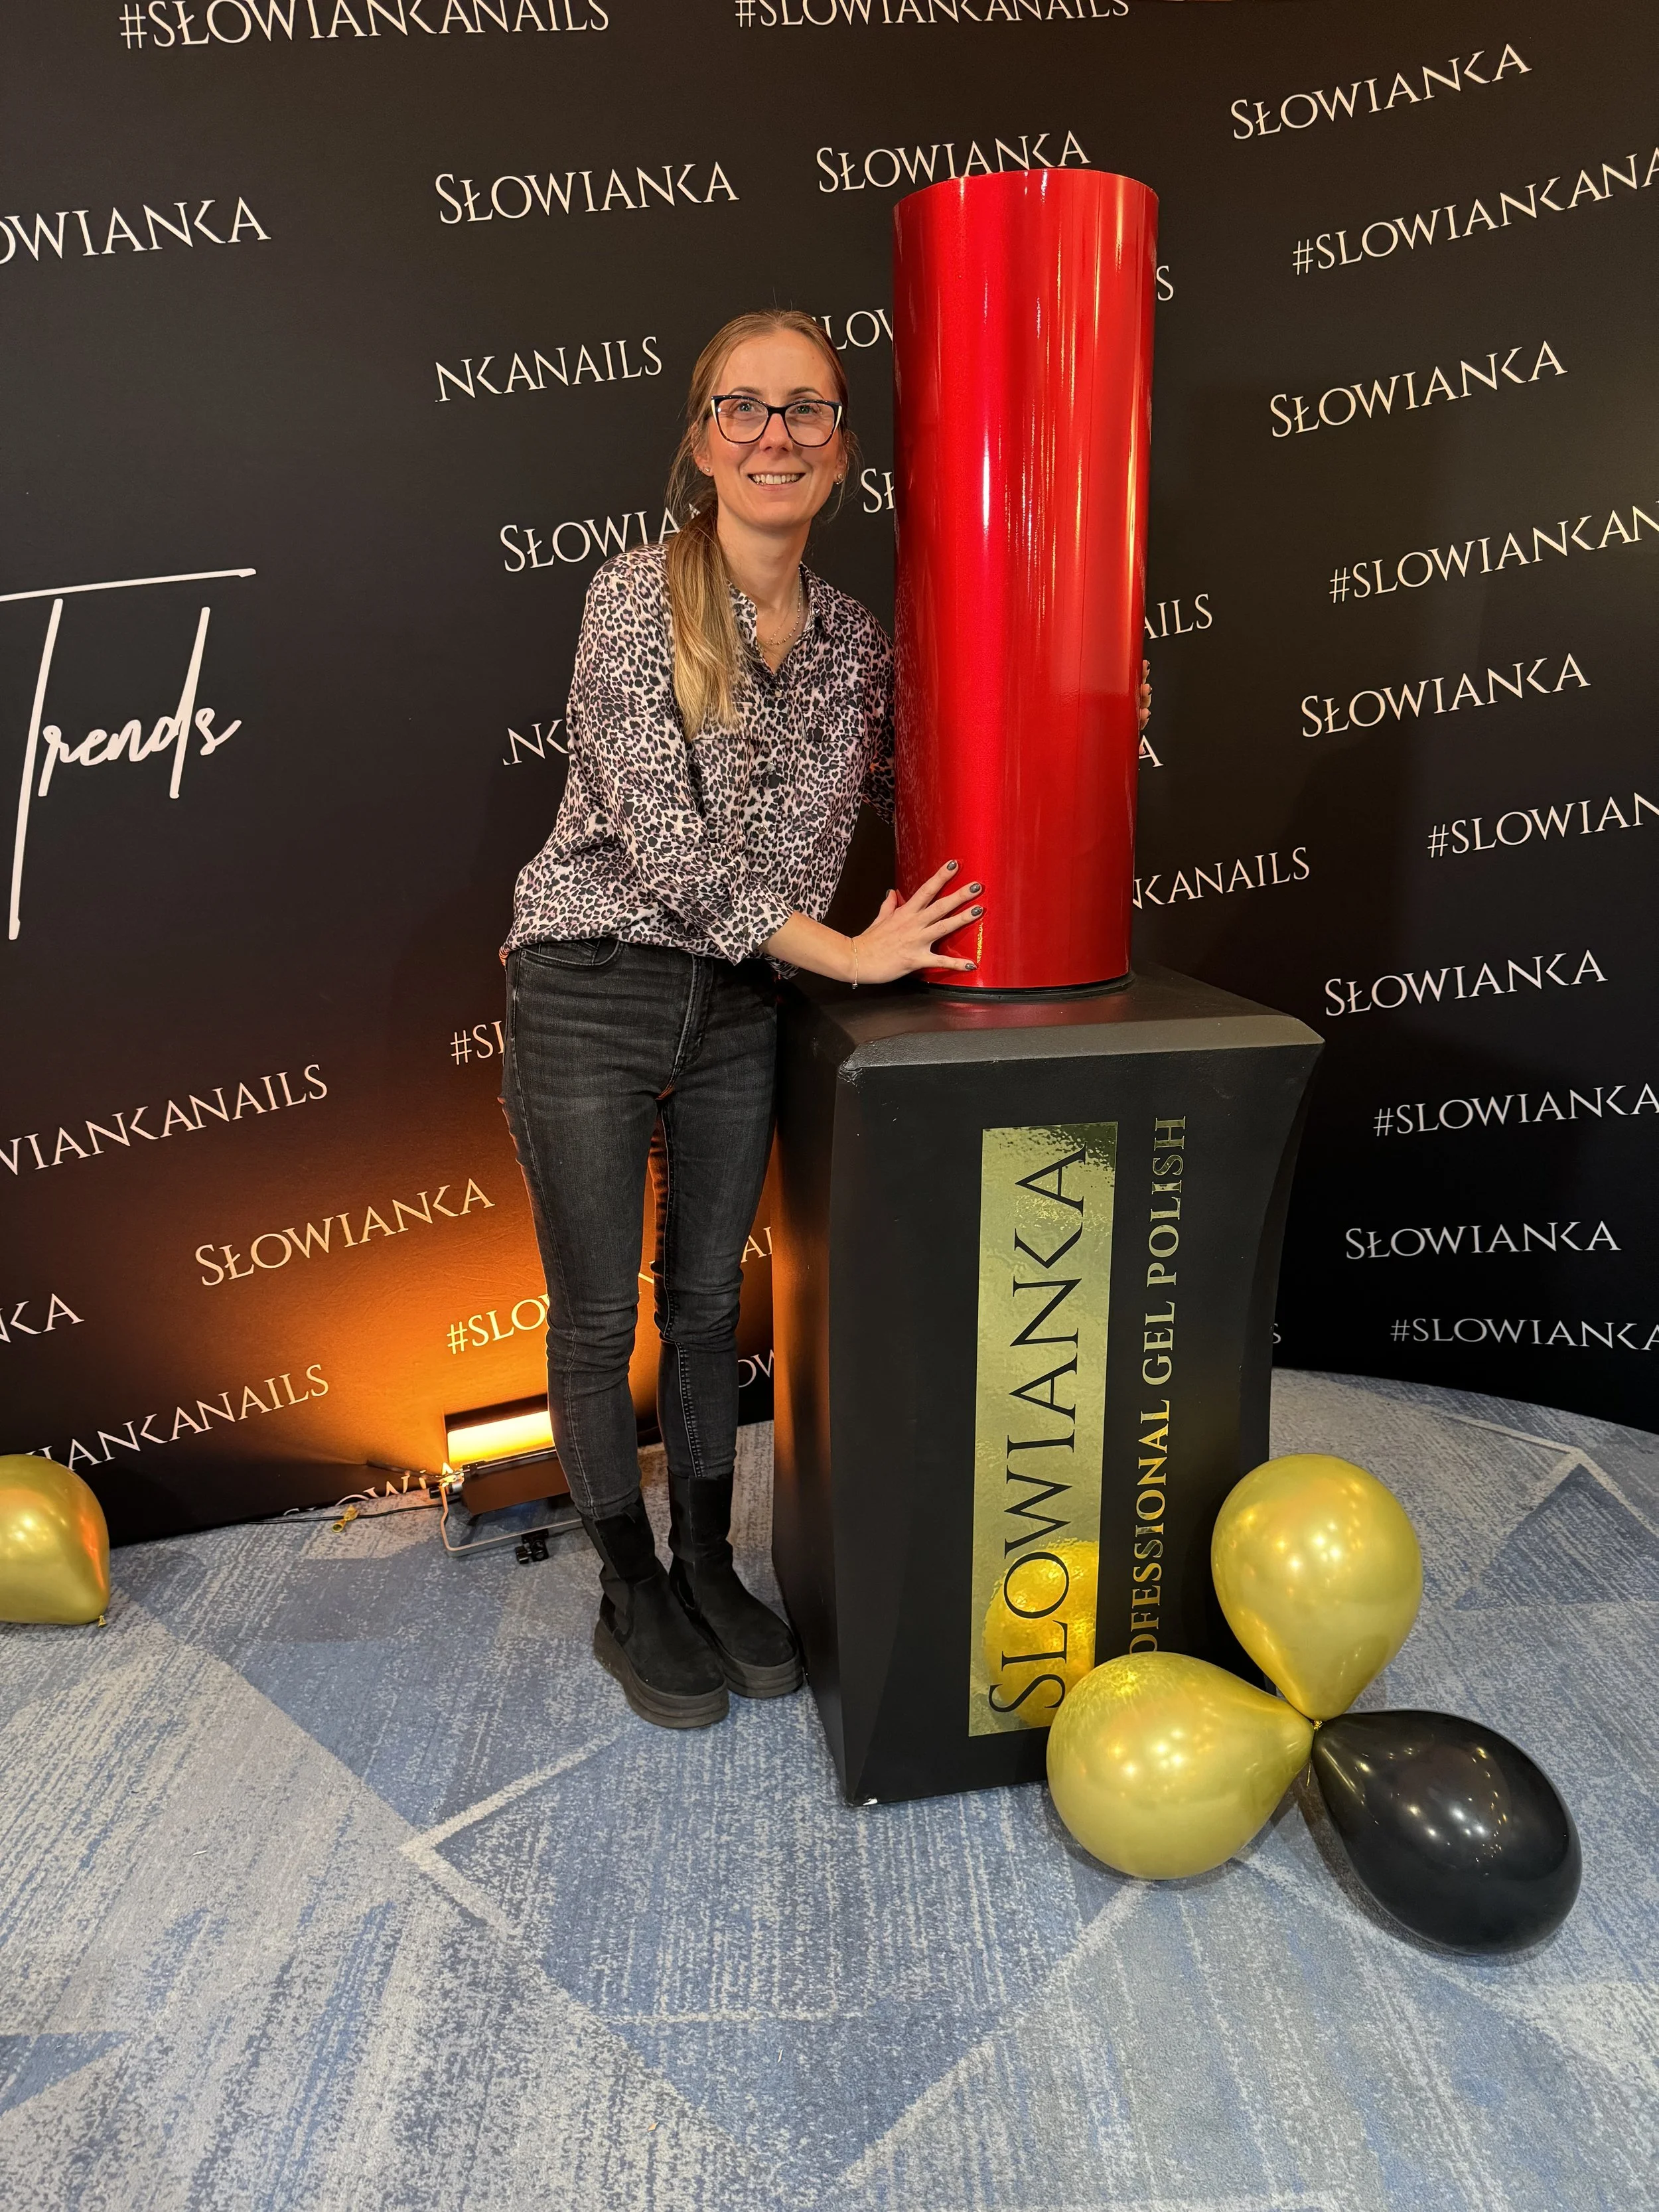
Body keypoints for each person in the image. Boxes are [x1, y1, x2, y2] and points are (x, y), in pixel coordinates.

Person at [502, 307, 1147, 1732]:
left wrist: (1091, 711)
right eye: (743, 408)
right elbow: (663, 851)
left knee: (699, 1305)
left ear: (843, 450)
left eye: (802, 411)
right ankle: (629, 1586)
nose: (772, 435)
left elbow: (933, 788)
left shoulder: (856, 640)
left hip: (742, 1005)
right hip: (590, 984)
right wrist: (851, 957)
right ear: (700, 440)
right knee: (602, 1308)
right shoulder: (633, 597)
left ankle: (704, 1563)